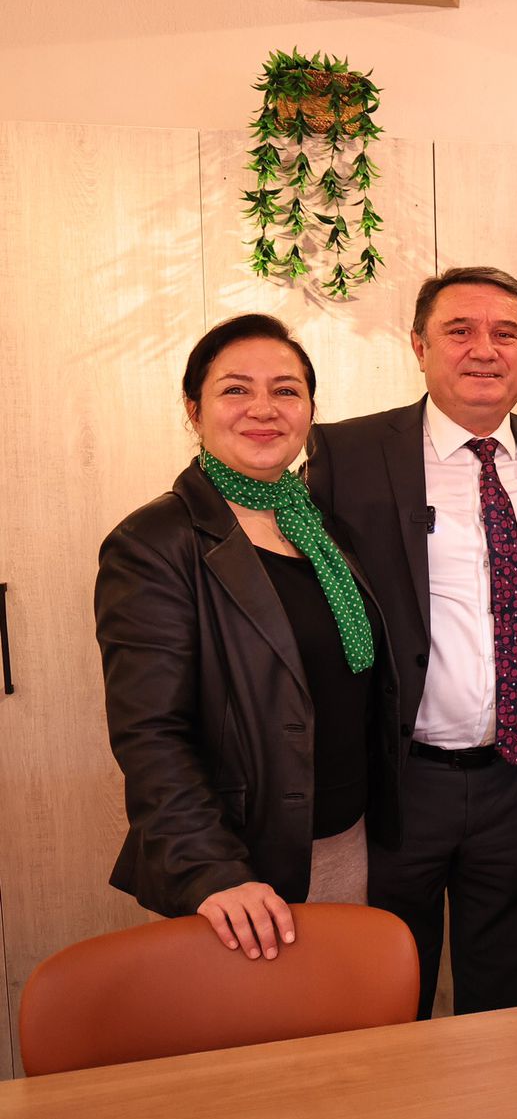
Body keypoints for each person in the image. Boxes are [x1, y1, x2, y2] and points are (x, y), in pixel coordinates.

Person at [305, 267, 517, 1017]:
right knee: (384, 993)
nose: (484, 350)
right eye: (459, 331)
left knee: (504, 996)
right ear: (419, 346)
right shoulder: (347, 454)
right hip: (400, 782)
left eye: (507, 333)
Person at [96, 314, 398, 959]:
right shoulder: (153, 543)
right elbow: (151, 734)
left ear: (309, 410)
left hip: (344, 840)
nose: (264, 408)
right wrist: (214, 871)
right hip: (237, 864)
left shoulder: (321, 527)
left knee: (339, 1020)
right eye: (236, 389)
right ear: (194, 409)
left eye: (286, 390)